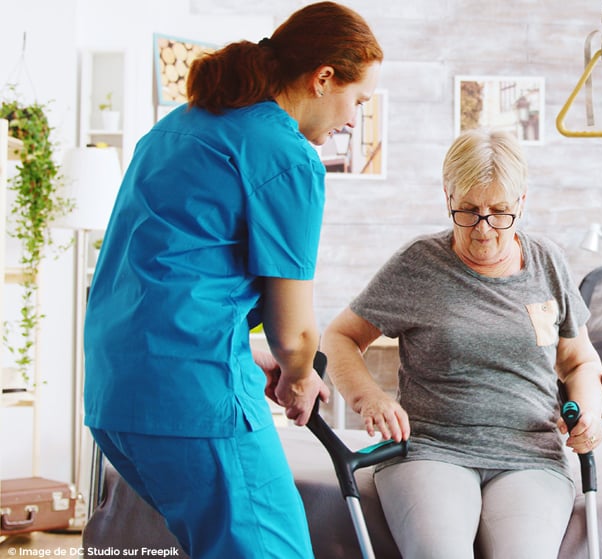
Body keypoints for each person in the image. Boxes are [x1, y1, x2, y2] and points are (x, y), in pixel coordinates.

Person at [83, 3, 383, 558]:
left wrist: (249, 357)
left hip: (116, 397)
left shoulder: (177, 127)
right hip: (193, 400)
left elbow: (169, 275)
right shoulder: (286, 155)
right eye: (357, 101)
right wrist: (298, 375)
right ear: (323, 79)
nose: (352, 120)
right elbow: (295, 334)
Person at [321, 128, 602, 559]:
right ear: (447, 196)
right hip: (430, 449)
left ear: (522, 202)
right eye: (469, 211)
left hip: (530, 454)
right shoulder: (419, 263)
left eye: (500, 212)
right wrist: (369, 399)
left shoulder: (548, 263)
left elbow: (579, 360)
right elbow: (340, 336)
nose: (484, 228)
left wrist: (589, 413)